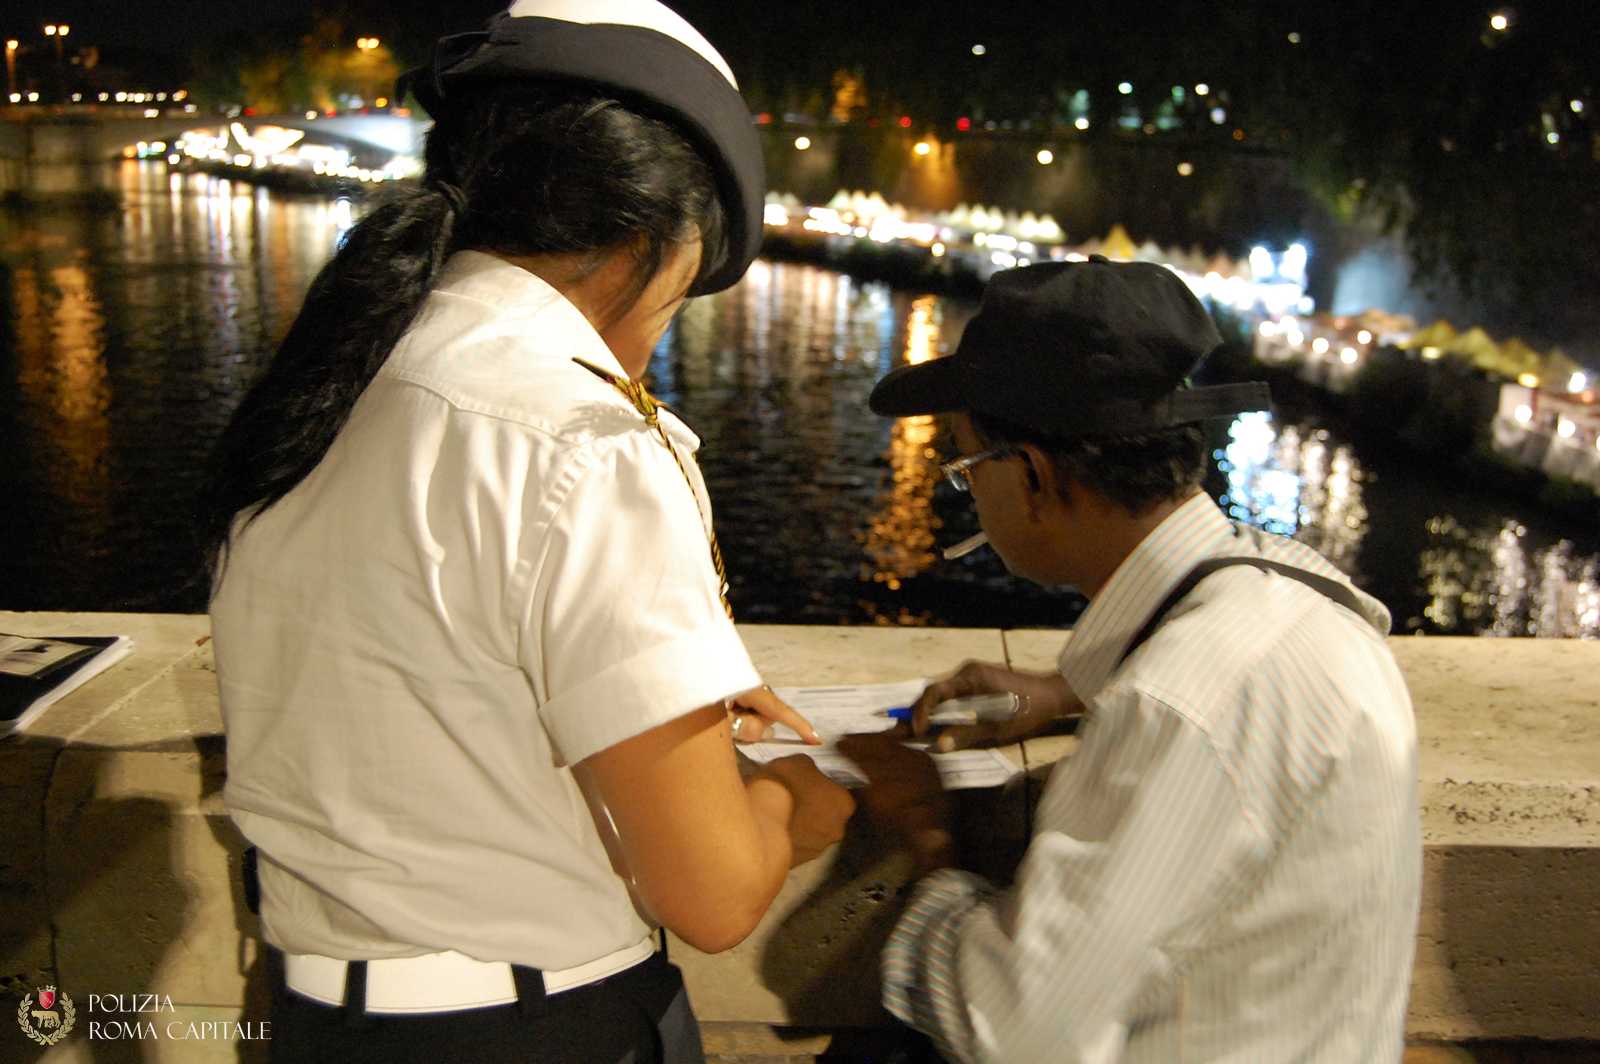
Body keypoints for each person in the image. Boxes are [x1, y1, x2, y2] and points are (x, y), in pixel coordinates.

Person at [200, 2, 853, 1061]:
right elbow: (717, 894)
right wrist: (791, 800)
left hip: (315, 1018)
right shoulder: (580, 436)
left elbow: (416, 651)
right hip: (535, 1026)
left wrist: (664, 683)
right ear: (663, 234)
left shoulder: (329, 384)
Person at [840, 258, 1421, 1062]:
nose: (967, 493)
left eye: (967, 468)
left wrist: (925, 833)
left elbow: (1015, 1028)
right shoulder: (1298, 598)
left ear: (1035, 476)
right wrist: (1068, 690)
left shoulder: (1176, 700)